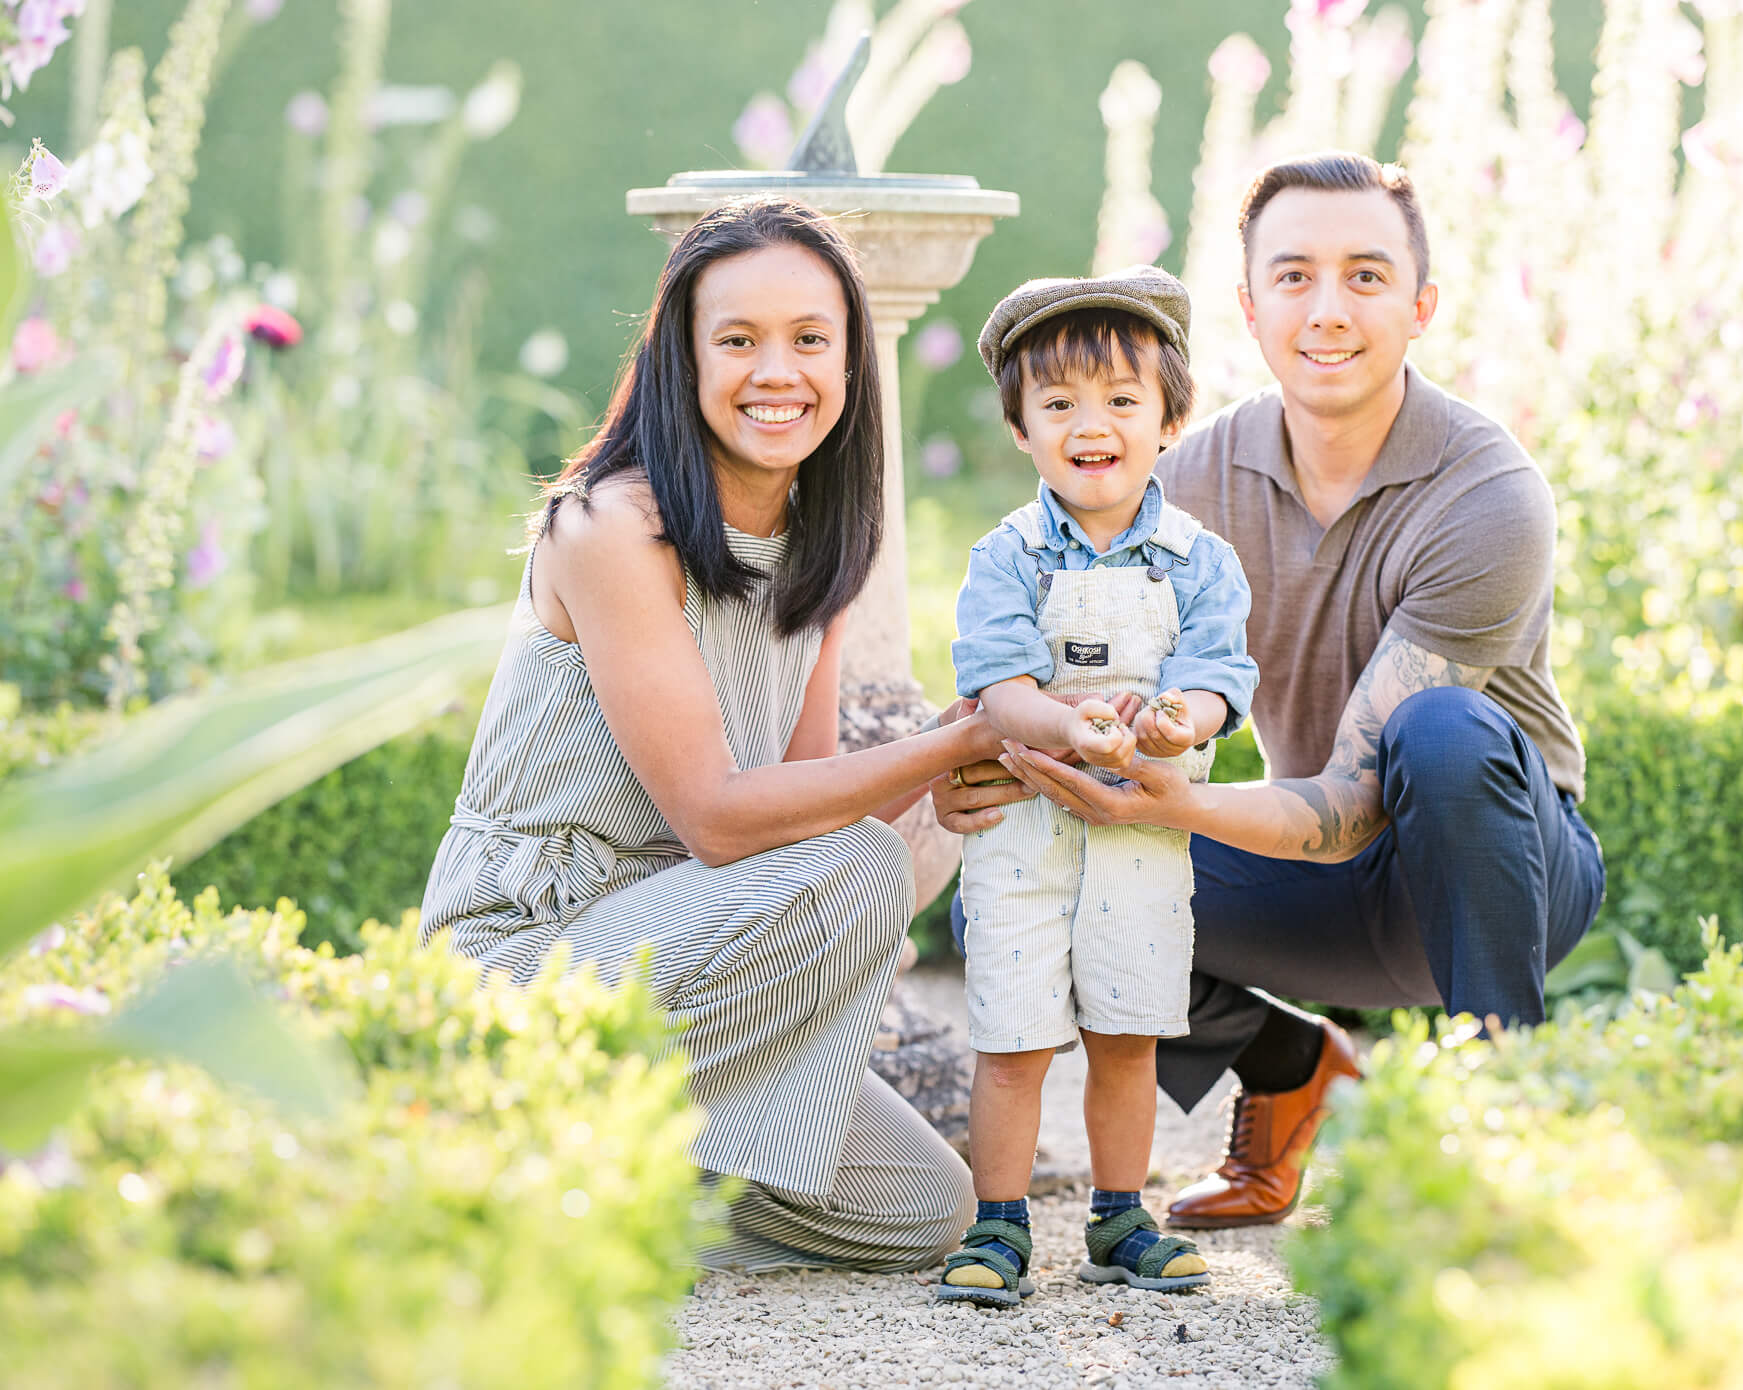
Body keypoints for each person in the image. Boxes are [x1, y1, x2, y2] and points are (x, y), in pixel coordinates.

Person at [934, 152, 1605, 1230]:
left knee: (1438, 733)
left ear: (1422, 304)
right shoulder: (1184, 485)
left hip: (1502, 868)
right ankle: (1294, 1067)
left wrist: (1168, 802)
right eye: (1294, 276)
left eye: (1367, 276)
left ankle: (1503, 1120)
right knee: (1015, 894)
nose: (1328, 310)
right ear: (1249, 308)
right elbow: (1040, 667)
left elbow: (1355, 801)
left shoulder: (1489, 492)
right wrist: (971, 766)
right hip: (1319, 878)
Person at [418, 196, 1001, 1273]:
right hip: (525, 958)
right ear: (683, 362)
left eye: (809, 340)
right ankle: (491, 1128)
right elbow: (722, 820)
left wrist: (959, 751)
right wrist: (930, 754)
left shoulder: (820, 544)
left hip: (683, 949)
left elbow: (806, 799)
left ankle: (603, 1186)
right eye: (738, 340)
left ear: (851, 362)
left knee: (926, 1207)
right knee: (865, 866)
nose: (776, 371)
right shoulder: (610, 529)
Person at [933, 267, 1258, 1307]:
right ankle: (1000, 1223)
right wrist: (1070, 726)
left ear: (1170, 420)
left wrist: (1180, 719)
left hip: (1141, 841)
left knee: (1127, 1031)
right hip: (1023, 837)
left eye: (1122, 401)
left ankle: (1123, 1213)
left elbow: (1218, 671)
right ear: (1022, 429)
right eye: (1059, 403)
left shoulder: (1199, 561)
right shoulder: (1008, 557)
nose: (1092, 425)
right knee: (1014, 1036)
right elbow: (998, 681)